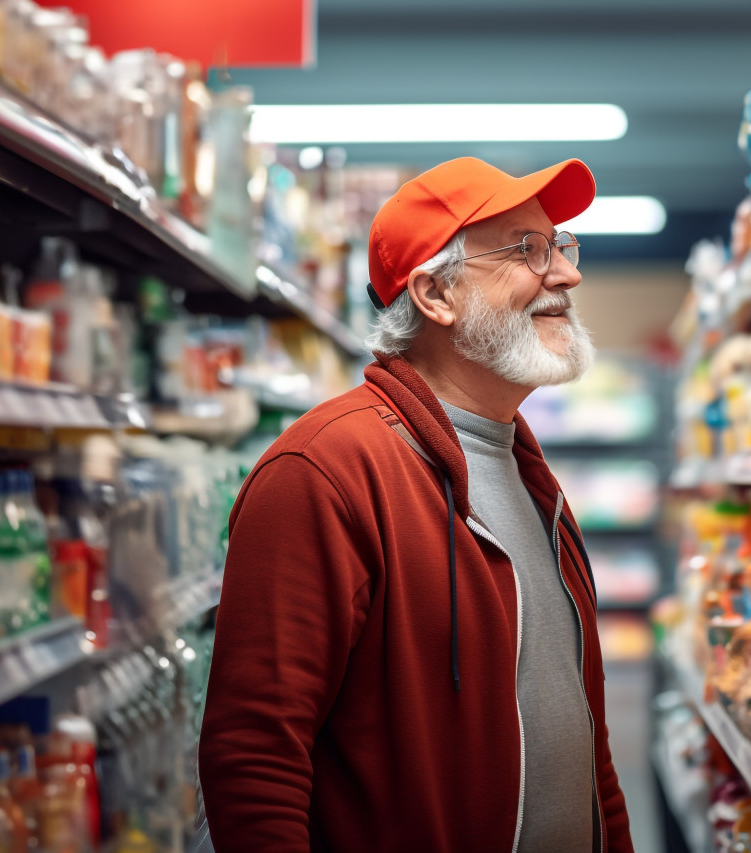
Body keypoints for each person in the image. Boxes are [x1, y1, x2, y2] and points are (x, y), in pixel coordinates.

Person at [198, 156, 634, 853]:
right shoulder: (324, 471)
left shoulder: (531, 478)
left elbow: (583, 736)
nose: (567, 274)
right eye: (529, 250)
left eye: (561, 247)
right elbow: (254, 756)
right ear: (435, 294)